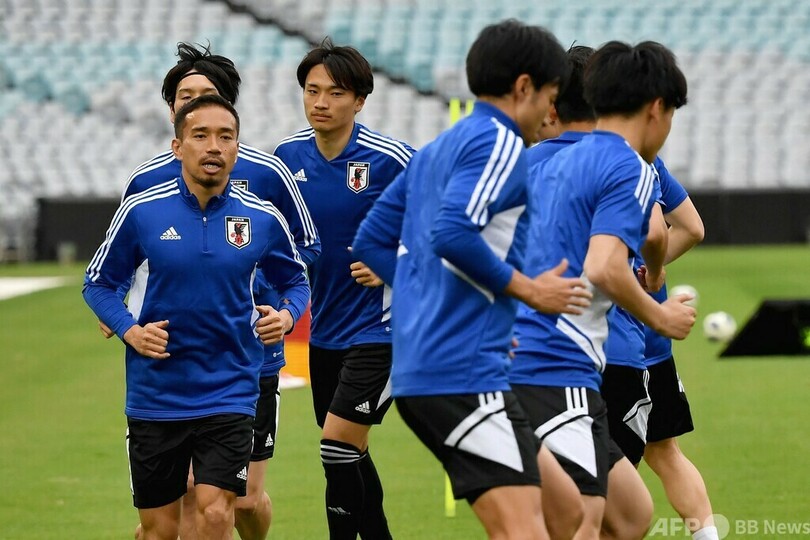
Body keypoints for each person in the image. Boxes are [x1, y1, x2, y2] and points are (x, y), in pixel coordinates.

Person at [353, 20, 594, 539]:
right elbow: (453, 233)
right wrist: (532, 291)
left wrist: (435, 303)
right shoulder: (501, 143)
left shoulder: (438, 148)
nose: (551, 112)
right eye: (550, 97)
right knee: (524, 530)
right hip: (460, 372)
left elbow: (371, 241)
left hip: (442, 367)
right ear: (525, 87)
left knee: (566, 512)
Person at [105, 42, 319, 540]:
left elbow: (303, 251)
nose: (196, 104)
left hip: (249, 357)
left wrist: (263, 297)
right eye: (185, 97)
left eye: (208, 96)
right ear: (173, 113)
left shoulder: (267, 175)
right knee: (185, 505)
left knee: (243, 503)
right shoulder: (146, 182)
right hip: (171, 359)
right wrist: (121, 314)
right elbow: (118, 261)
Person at [507, 40, 696, 540]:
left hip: (525, 363)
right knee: (585, 523)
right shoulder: (630, 165)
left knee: (630, 515)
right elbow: (607, 264)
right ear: (657, 108)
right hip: (551, 367)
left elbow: (650, 234)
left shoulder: (547, 160)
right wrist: (661, 313)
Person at [272, 38, 415, 540]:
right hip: (325, 329)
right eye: (312, 91)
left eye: (335, 93)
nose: (321, 102)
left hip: (383, 329)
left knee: (336, 446)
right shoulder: (285, 158)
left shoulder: (391, 159)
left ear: (359, 100)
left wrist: (394, 262)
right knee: (350, 452)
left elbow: (449, 226)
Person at [641, 189, 718, 540]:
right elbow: (691, 228)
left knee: (601, 466)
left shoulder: (564, 165)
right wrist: (651, 271)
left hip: (600, 341)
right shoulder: (651, 166)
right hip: (654, 337)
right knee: (665, 451)